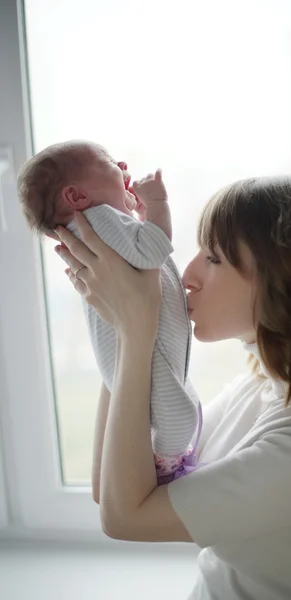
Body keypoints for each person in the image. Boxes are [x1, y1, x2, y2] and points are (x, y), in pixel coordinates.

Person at [53, 174, 291, 600]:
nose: (187, 276)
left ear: (287, 278)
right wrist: (123, 328)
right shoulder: (268, 387)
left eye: (214, 258)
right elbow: (114, 485)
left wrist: (135, 330)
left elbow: (125, 517)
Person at [17, 140, 202, 485]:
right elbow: (153, 253)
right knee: (178, 415)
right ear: (76, 198)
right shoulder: (98, 219)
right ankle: (165, 463)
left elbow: (141, 252)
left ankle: (163, 456)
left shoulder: (97, 231)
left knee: (173, 404)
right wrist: (158, 204)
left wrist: (140, 220)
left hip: (132, 348)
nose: (121, 164)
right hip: (145, 345)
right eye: (108, 162)